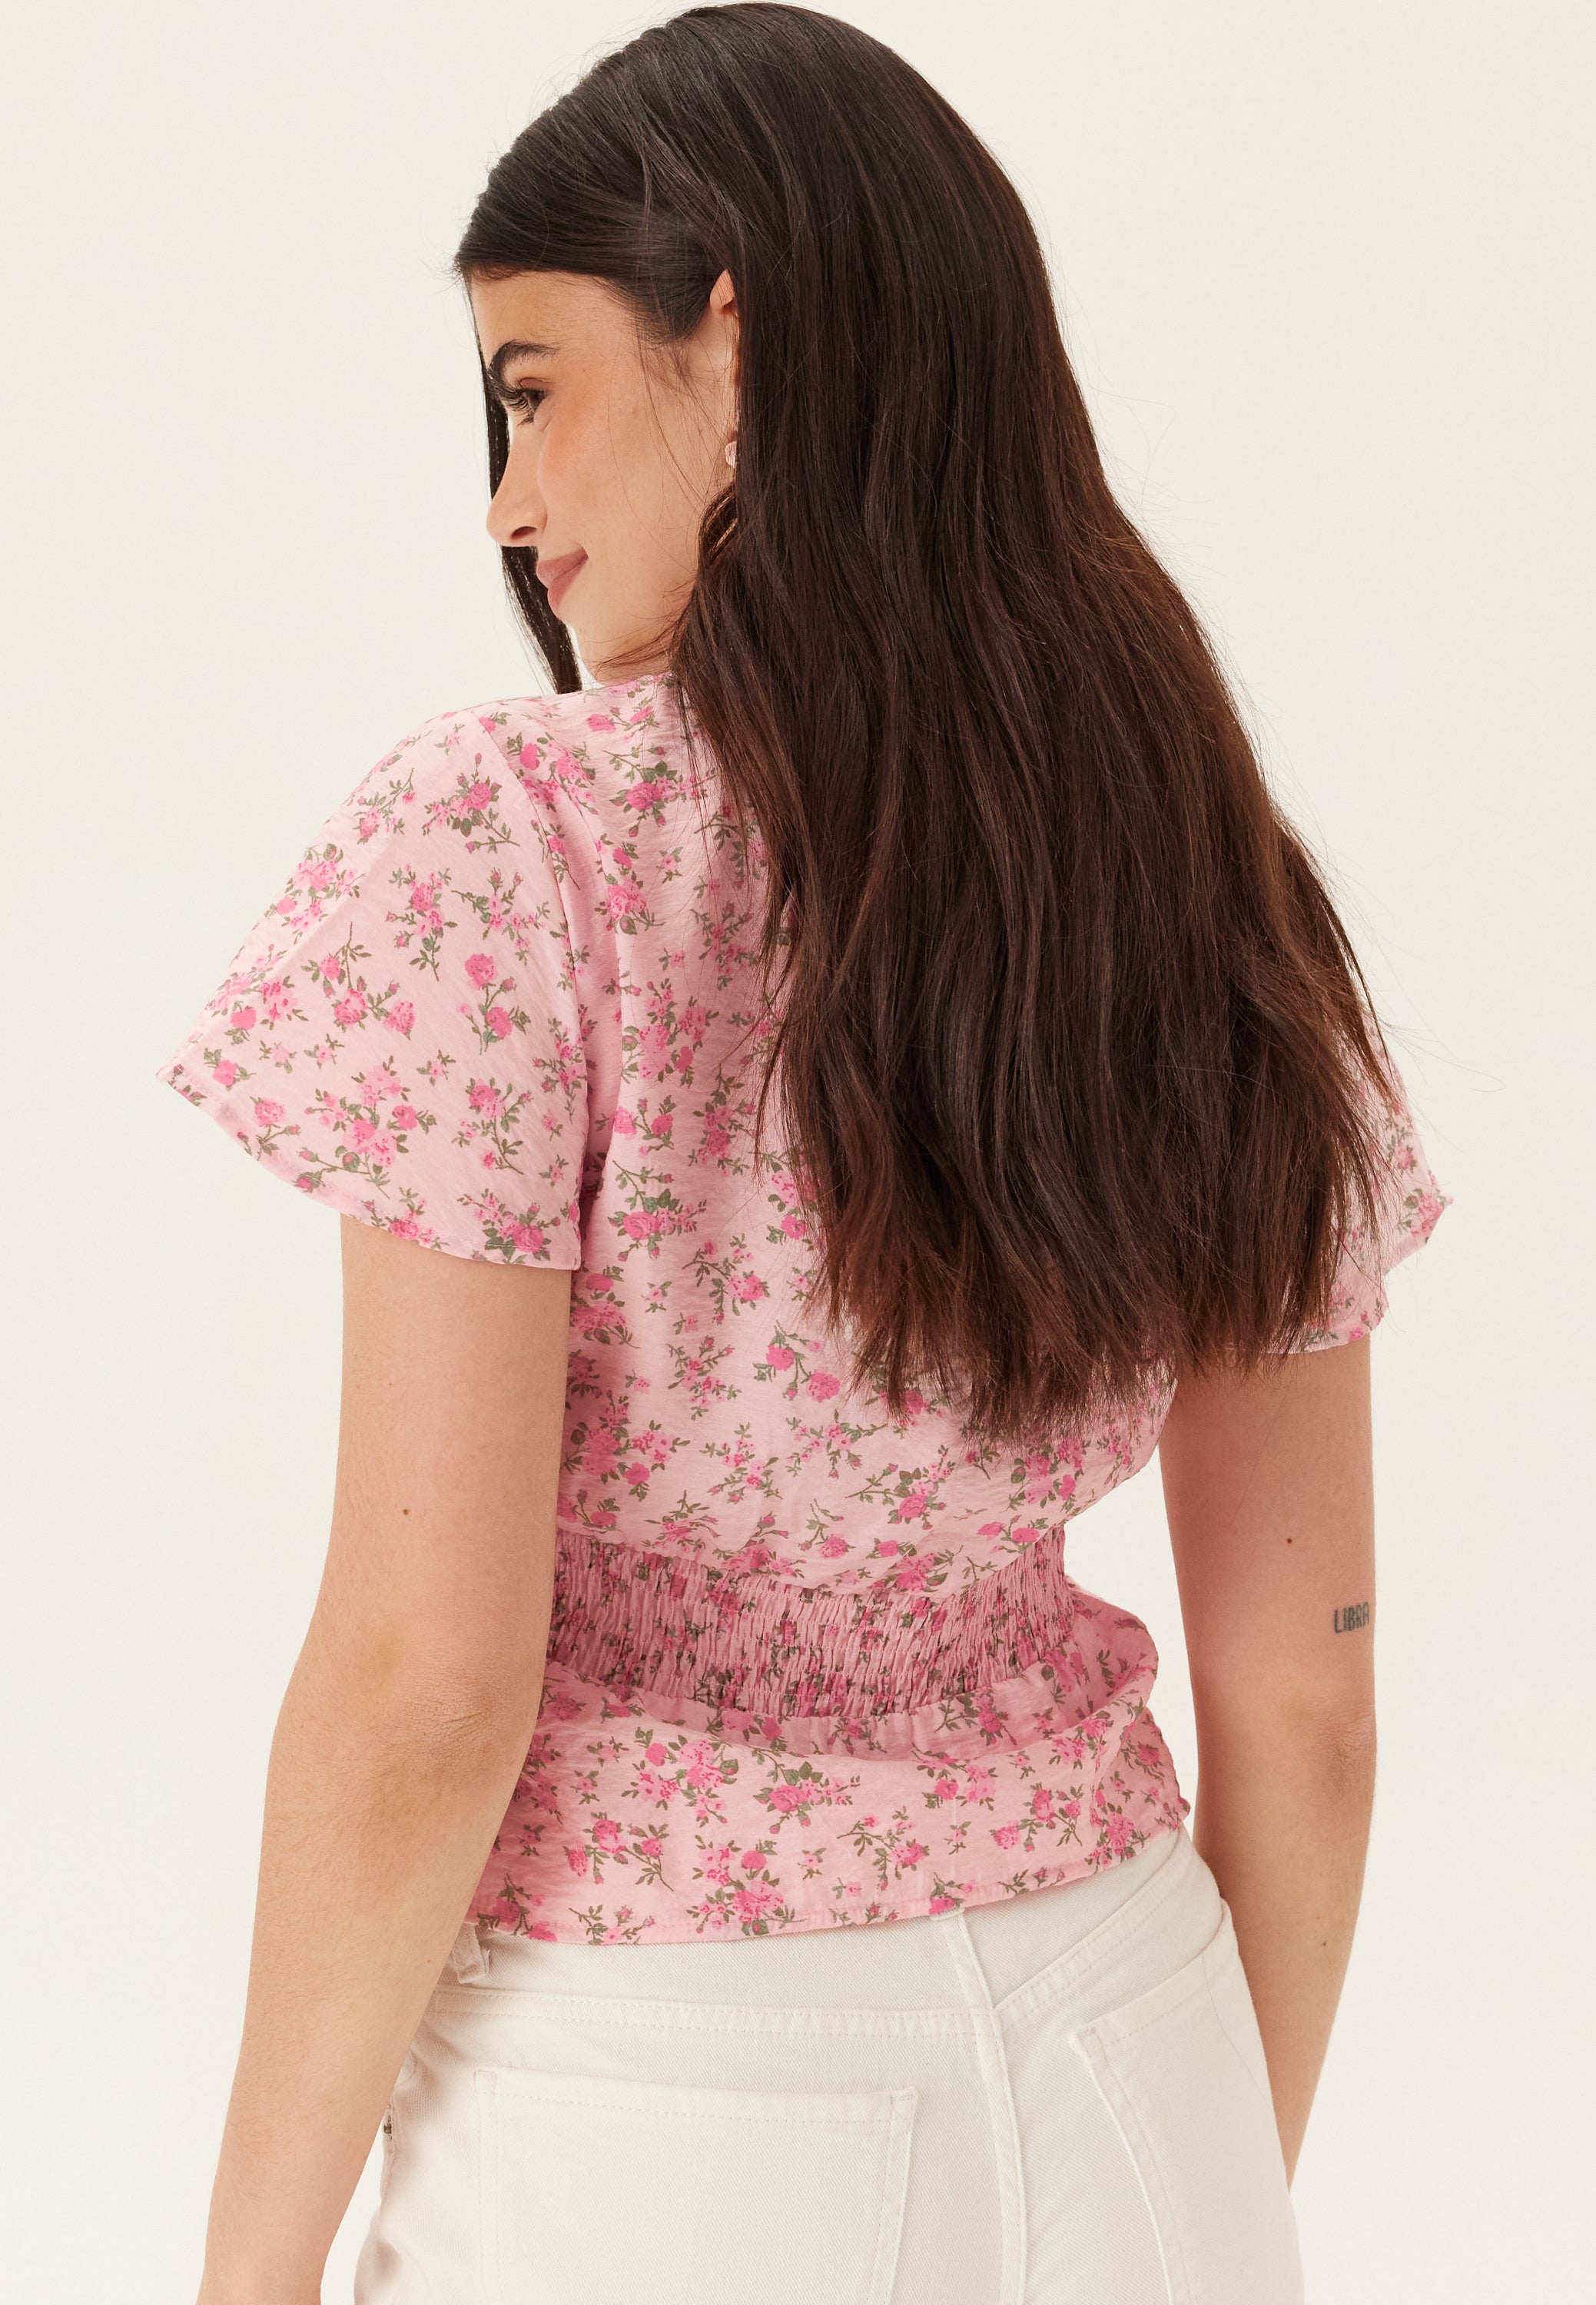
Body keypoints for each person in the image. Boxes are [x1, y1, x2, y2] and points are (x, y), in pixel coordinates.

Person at [158, 8, 1448, 2301]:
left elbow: (427, 1682)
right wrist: (1188, 2179)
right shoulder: (1197, 879)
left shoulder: (512, 847)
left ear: (736, 346)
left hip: (657, 2103)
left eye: (534, 388)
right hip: (1137, 2045)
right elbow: (1312, 1702)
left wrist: (241, 2279)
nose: (506, 503)